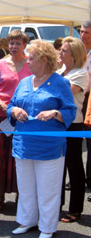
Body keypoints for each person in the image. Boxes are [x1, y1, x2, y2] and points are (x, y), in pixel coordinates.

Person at [6, 39, 76, 238]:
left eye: (32, 58)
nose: (27, 62)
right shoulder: (24, 82)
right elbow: (11, 105)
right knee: (26, 188)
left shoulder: (60, 82)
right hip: (23, 145)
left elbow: (70, 110)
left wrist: (54, 112)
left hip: (49, 147)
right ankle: (26, 221)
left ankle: (47, 227)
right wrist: (15, 110)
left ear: (45, 60)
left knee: (48, 190)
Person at [0, 30, 31, 210]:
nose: (14, 47)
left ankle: (22, 195)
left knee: (21, 158)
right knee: (0, 158)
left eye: (18, 43)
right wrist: (3, 106)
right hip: (0, 116)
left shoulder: (31, 64)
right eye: (11, 43)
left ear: (25, 45)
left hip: (23, 119)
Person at [57, 37, 88, 223]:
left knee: (74, 167)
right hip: (57, 124)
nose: (60, 53)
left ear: (74, 55)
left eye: (63, 51)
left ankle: (75, 209)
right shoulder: (61, 71)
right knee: (57, 167)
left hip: (73, 125)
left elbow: (64, 93)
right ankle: (57, 204)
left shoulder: (80, 74)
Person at [80, 20, 91, 200]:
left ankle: (90, 180)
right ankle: (78, 178)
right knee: (74, 141)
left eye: (86, 33)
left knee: (89, 144)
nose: (82, 35)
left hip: (89, 98)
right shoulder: (78, 51)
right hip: (76, 99)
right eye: (81, 32)